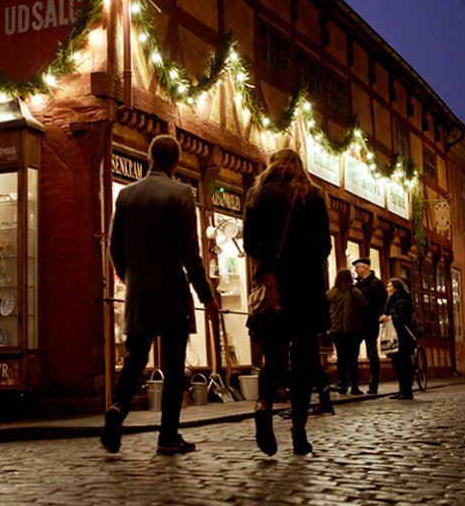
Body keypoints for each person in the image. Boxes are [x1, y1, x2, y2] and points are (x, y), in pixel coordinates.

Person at [101, 134, 219, 456]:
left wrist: (131, 278)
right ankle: (168, 436)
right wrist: (206, 295)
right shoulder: (181, 193)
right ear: (176, 162)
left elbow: (114, 247)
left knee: (135, 359)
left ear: (149, 158)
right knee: (175, 363)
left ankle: (116, 408)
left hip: (139, 292)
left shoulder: (126, 195)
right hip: (172, 292)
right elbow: (189, 252)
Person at [243, 148, 331, 456]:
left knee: (275, 360)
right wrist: (303, 258)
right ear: (299, 167)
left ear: (273, 166)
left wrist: (271, 260)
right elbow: (324, 246)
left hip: (273, 286)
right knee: (304, 362)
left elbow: (249, 245)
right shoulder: (313, 195)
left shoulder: (257, 195)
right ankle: (299, 432)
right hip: (304, 288)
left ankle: (264, 405)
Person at [327, 269, 369, 395]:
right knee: (352, 359)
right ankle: (354, 386)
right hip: (353, 331)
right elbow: (365, 308)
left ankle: (343, 385)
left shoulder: (331, 293)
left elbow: (323, 308)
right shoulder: (355, 292)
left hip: (336, 330)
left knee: (341, 358)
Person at [379, 278, 418, 400]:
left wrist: (388, 318)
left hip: (403, 336)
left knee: (404, 364)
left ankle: (407, 390)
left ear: (396, 288)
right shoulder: (390, 300)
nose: (387, 289)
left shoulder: (403, 299)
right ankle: (402, 389)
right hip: (394, 336)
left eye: (389, 286)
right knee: (398, 364)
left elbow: (403, 316)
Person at [353, 257, 386, 394]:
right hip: (357, 324)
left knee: (372, 353)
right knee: (353, 353)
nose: (355, 270)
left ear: (365, 268)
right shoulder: (357, 284)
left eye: (357, 267)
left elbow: (381, 302)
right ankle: (354, 384)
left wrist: (375, 317)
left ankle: (374, 384)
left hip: (370, 323)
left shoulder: (375, 283)